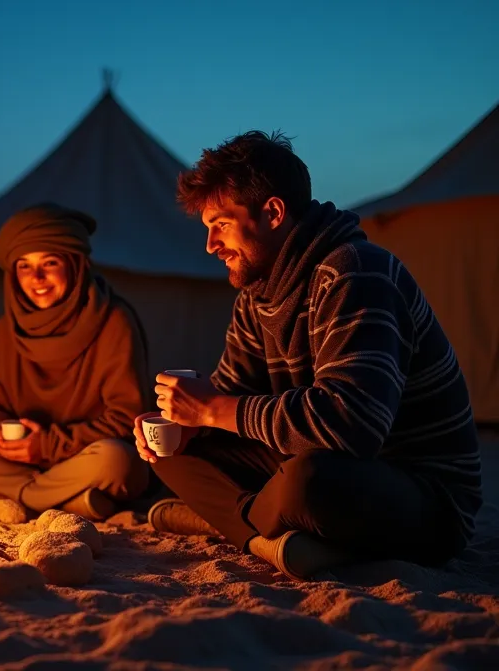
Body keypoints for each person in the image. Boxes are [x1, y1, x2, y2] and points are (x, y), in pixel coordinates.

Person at [136, 131, 482, 580]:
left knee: (307, 482)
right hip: (308, 461)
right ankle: (273, 536)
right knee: (166, 452)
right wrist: (188, 428)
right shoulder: (257, 296)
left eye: (220, 224)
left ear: (273, 213)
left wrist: (213, 409)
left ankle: (233, 523)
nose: (210, 245)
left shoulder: (355, 273)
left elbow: (351, 425)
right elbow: (232, 398)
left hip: (418, 492)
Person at [0, 204, 151, 521]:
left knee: (120, 462)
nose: (37, 278)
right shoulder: (9, 328)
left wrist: (48, 445)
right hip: (19, 464)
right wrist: (5, 438)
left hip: (80, 460)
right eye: (24, 266)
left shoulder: (114, 320)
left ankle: (24, 499)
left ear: (76, 265)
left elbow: (127, 418)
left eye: (50, 262)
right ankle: (68, 502)